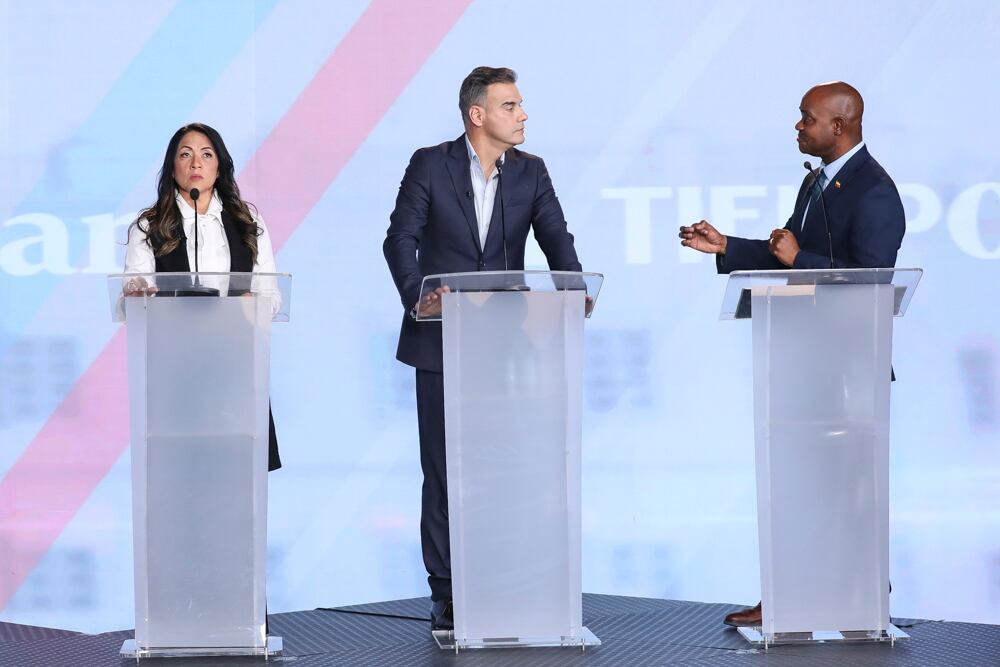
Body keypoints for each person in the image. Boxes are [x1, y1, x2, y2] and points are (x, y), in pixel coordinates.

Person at [680, 82, 905, 627]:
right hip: (803, 357)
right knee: (797, 488)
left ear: (839, 126)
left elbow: (871, 281)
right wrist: (727, 246)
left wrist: (799, 258)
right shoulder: (816, 182)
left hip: (849, 368)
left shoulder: (874, 191)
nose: (798, 127)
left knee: (846, 491)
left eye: (807, 118)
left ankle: (861, 598)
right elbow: (787, 257)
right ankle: (788, 596)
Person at [384, 66, 583, 631]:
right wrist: (418, 297)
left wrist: (573, 287)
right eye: (510, 106)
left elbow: (556, 237)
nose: (522, 115)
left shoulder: (531, 171)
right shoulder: (430, 164)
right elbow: (399, 239)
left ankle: (503, 579)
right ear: (478, 114)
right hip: (440, 339)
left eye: (520, 105)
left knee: (504, 467)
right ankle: (447, 591)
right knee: (444, 471)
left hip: (505, 343)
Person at [124, 122, 282, 473]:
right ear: (172, 168)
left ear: (219, 167)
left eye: (206, 155)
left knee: (238, 475)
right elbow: (132, 300)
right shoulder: (149, 225)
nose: (196, 163)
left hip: (236, 366)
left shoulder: (248, 221)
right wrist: (136, 295)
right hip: (174, 371)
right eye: (186, 154)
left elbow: (270, 297)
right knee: (180, 473)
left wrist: (251, 304)